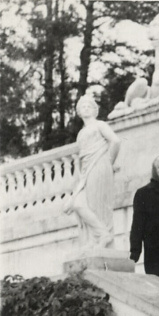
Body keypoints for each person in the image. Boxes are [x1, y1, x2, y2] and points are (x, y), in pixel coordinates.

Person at [65, 92, 118, 248]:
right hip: (87, 169)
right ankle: (101, 234)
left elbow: (115, 141)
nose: (86, 108)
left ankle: (100, 238)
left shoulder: (100, 125)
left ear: (95, 110)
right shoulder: (81, 133)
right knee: (78, 203)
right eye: (83, 106)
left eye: (89, 106)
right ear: (79, 112)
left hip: (100, 165)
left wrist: (109, 161)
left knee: (96, 203)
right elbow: (82, 157)